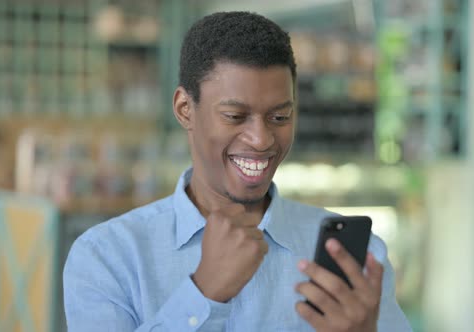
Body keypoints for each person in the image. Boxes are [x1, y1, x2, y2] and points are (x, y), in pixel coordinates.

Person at [64, 11, 412, 332]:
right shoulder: (107, 257)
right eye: (235, 116)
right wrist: (204, 293)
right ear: (185, 109)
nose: (261, 140)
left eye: (280, 117)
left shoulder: (359, 260)